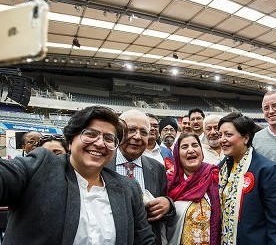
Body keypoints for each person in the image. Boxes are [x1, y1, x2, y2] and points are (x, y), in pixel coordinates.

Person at [0, 105, 155, 244]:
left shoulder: (128, 188)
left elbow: (144, 239)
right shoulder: (40, 167)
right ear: (70, 139)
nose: (100, 143)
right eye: (91, 134)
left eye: (109, 138)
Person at [218, 112, 276, 244]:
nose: (222, 139)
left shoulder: (269, 171)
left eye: (228, 135)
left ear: (246, 138)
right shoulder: (221, 168)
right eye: (220, 135)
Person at [107, 109, 175, 245]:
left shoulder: (157, 168)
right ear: (119, 132)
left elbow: (166, 199)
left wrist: (168, 204)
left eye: (143, 132)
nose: (137, 137)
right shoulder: (102, 163)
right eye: (131, 130)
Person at [166, 133, 220, 245]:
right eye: (184, 147)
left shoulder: (215, 176)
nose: (191, 150)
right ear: (177, 154)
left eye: (195, 145)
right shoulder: (169, 183)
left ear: (201, 150)